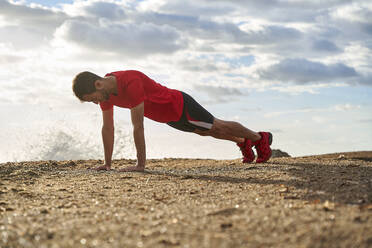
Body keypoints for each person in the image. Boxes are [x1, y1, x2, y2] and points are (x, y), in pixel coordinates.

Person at [72, 70, 272, 172]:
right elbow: (108, 127)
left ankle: (259, 138)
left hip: (179, 105)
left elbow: (138, 126)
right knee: (206, 131)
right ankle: (243, 142)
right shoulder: (106, 95)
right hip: (169, 118)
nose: (95, 102)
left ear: (98, 84)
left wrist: (140, 164)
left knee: (217, 125)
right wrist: (107, 164)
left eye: (93, 98)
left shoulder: (129, 82)